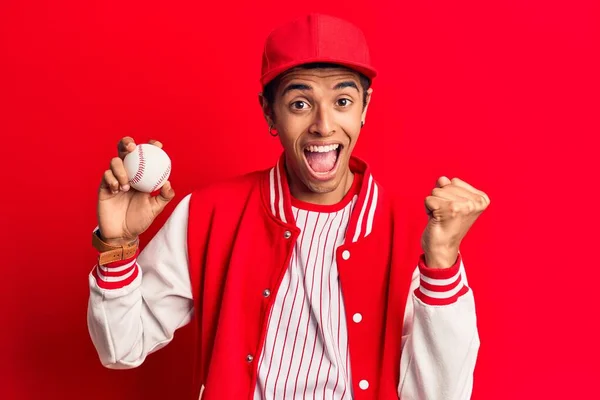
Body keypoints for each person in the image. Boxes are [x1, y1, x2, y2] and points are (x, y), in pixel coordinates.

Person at [87, 13, 489, 400]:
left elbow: (441, 394)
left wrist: (441, 262)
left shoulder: (415, 231)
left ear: (365, 108)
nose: (324, 125)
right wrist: (118, 244)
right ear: (269, 112)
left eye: (343, 101)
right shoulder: (209, 213)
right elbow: (121, 348)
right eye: (300, 103)